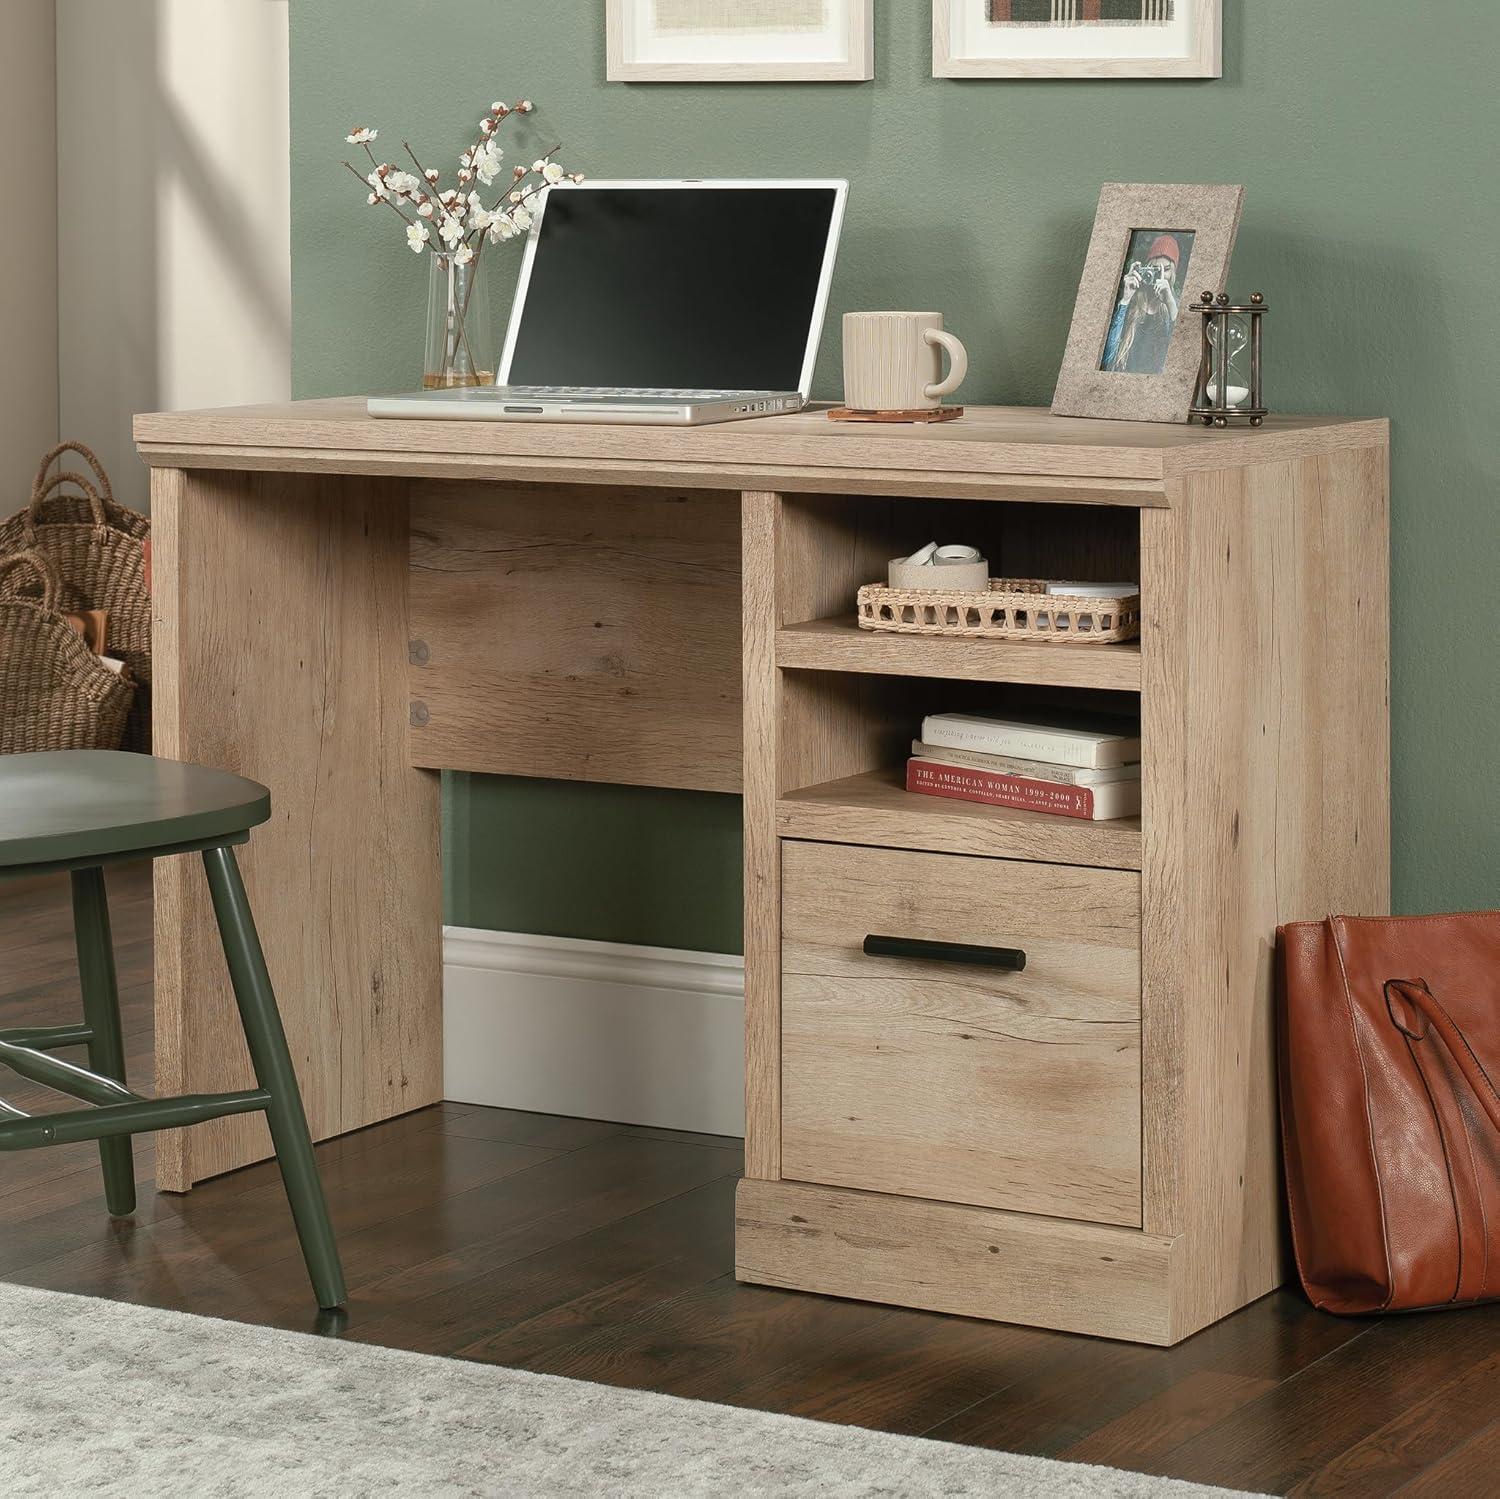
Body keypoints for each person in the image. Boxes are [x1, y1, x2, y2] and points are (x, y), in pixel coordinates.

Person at [1101, 233, 1182, 375]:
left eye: (1166, 270)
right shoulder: (1131, 301)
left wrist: (1169, 302)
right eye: (1155, 269)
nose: (1161, 276)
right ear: (1146, 269)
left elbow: (1182, 353)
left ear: (1173, 272)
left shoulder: (1175, 308)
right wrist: (1125, 300)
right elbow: (1107, 358)